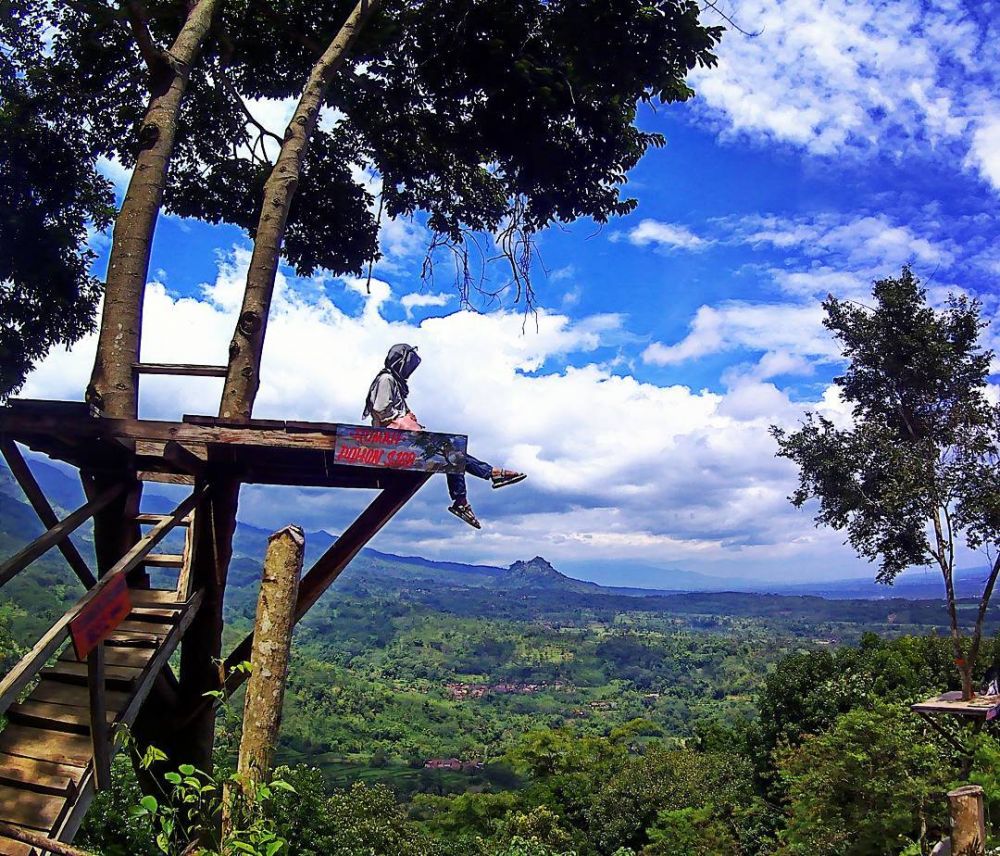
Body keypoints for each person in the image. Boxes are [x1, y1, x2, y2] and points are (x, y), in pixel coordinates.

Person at [363, 343, 526, 529]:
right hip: (391, 442)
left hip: (397, 440)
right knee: (450, 450)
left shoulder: (394, 382)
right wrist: (404, 420)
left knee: (452, 452)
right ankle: (485, 479)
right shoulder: (386, 379)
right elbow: (380, 409)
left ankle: (467, 496)